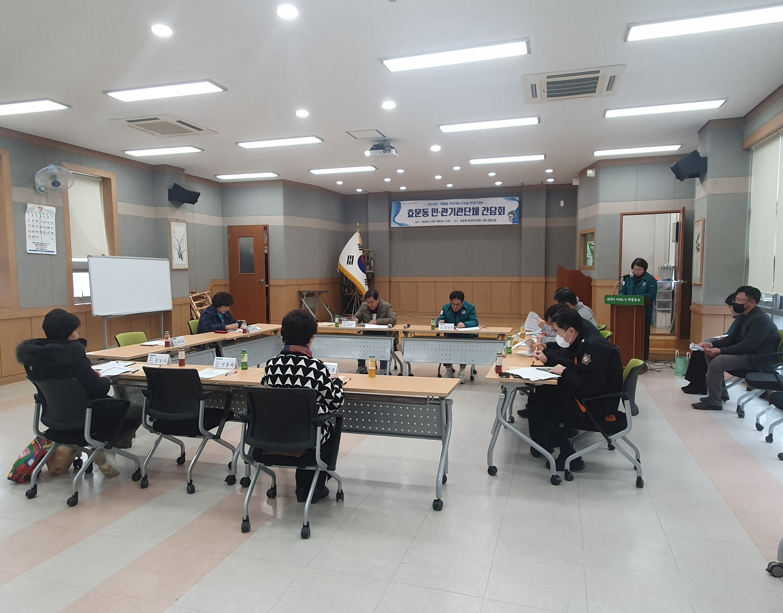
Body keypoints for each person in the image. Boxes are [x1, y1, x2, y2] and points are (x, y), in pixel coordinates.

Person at [16, 309, 143, 477]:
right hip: (86, 417)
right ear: (66, 334)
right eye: (74, 331)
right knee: (136, 410)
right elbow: (99, 389)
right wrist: (104, 378)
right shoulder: (73, 358)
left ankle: (97, 445)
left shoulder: (32, 360)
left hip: (54, 419)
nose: (77, 334)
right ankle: (103, 447)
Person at [262, 309, 345, 502]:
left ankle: (305, 485)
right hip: (307, 438)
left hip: (272, 435)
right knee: (328, 430)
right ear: (310, 339)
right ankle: (313, 486)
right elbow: (335, 402)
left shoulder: (271, 365)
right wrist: (337, 383)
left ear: (283, 336)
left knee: (301, 424)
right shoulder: (315, 367)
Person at [525, 308, 624, 471]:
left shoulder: (594, 346)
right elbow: (578, 366)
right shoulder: (585, 338)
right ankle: (542, 443)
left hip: (594, 404)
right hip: (591, 396)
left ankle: (568, 454)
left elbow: (588, 386)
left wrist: (565, 372)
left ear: (570, 330)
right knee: (539, 394)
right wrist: (549, 359)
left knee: (539, 404)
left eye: (557, 331)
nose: (557, 336)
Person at [692, 286, 780, 410]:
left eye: (739, 300)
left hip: (758, 359)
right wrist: (712, 345)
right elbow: (732, 338)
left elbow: (749, 345)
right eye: (736, 299)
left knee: (718, 361)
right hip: (748, 354)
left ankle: (714, 402)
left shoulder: (760, 319)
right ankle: (720, 395)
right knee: (709, 355)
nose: (735, 303)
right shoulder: (744, 316)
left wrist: (721, 351)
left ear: (752, 302)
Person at [681, 293, 738, 395]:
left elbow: (737, 339)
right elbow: (729, 335)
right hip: (728, 342)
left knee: (706, 352)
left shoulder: (747, 320)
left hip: (734, 348)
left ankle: (700, 386)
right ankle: (696, 383)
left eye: (731, 307)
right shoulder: (738, 319)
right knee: (700, 349)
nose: (731, 310)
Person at [619, 258, 658, 362]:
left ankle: (643, 359)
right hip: (628, 313)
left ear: (644, 269)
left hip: (644, 313)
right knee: (627, 335)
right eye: (634, 269)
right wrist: (622, 298)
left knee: (643, 336)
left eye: (639, 269)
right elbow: (622, 292)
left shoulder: (650, 279)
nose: (636, 272)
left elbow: (652, 295)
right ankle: (627, 357)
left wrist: (639, 298)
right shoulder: (628, 278)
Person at [436, 290, 479, 383]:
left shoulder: (470, 307)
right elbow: (439, 319)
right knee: (444, 346)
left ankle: (462, 371)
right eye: (453, 304)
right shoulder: (445, 307)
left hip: (465, 337)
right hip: (450, 336)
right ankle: (449, 370)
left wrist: (465, 324)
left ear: (463, 302)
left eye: (458, 304)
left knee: (463, 348)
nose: (455, 307)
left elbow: (475, 322)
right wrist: (440, 322)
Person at [353, 289, 397, 374]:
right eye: (368, 302)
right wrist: (355, 319)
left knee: (383, 344)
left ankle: (384, 369)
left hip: (383, 334)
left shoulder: (386, 306)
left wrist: (377, 321)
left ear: (378, 300)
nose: (370, 304)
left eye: (372, 302)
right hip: (368, 334)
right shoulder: (364, 306)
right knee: (360, 343)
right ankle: (361, 367)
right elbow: (356, 316)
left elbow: (393, 320)